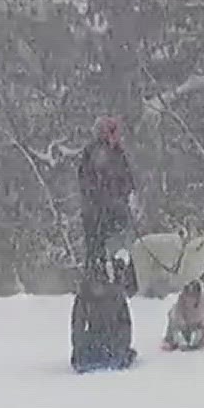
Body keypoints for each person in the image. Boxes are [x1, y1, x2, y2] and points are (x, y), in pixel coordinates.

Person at [77, 116, 138, 270]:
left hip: (116, 210)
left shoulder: (118, 153)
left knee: (120, 245)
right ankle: (96, 277)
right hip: (96, 211)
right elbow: (85, 180)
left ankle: (120, 276)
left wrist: (125, 195)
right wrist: (99, 196)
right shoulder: (92, 151)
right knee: (96, 247)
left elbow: (127, 178)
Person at [70, 259, 137, 371]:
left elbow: (125, 326)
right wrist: (79, 350)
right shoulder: (83, 297)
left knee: (117, 357)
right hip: (93, 342)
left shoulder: (116, 295)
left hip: (113, 341)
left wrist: (121, 347)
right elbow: (77, 326)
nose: (97, 285)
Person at [163, 279, 204, 351]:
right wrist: (170, 340)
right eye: (187, 296)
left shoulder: (202, 306)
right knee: (177, 333)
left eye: (193, 296)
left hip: (198, 329)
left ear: (198, 297)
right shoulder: (178, 309)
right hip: (184, 330)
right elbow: (173, 324)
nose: (190, 299)